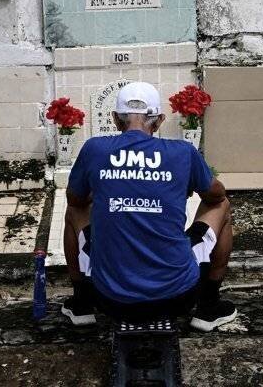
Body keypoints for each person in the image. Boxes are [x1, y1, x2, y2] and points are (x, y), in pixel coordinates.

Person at [60, 81, 236, 332]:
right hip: (178, 298)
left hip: (109, 299)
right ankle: (208, 307)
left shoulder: (95, 149)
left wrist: (109, 192)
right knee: (223, 207)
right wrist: (176, 189)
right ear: (160, 120)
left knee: (73, 212)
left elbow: (75, 200)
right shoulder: (182, 152)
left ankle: (82, 304)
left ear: (115, 119)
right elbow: (216, 195)